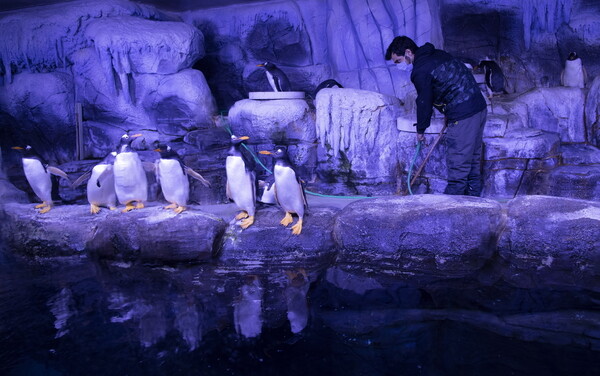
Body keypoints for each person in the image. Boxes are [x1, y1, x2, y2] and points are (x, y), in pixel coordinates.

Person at [385, 36, 487, 196]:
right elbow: (450, 81)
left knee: (458, 162)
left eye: (398, 61)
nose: (399, 66)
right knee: (472, 159)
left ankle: (453, 208)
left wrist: (420, 130)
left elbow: (424, 101)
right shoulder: (437, 54)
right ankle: (474, 201)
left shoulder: (420, 70)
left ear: (408, 52)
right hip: (479, 107)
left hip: (463, 114)